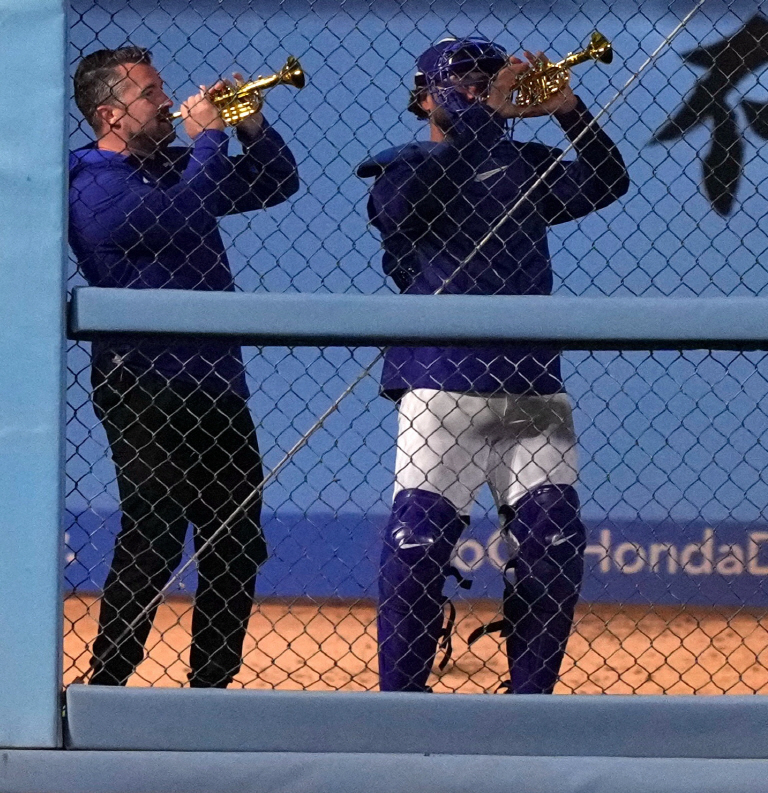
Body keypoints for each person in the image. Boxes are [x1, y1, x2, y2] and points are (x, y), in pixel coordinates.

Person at [357, 37, 629, 693]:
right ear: (424, 97)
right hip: (441, 381)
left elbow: (608, 180)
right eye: (466, 84)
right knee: (419, 544)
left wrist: (569, 109)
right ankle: (401, 703)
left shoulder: (525, 167)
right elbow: (397, 214)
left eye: (490, 81)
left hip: (534, 387)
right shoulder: (405, 167)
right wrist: (488, 117)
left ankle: (529, 705)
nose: (482, 91)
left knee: (556, 544)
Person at [68, 46, 299, 688]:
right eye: (150, 93)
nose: (168, 102)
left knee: (235, 539)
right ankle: (108, 681)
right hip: (142, 380)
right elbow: (177, 219)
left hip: (215, 380)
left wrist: (249, 124)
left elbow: (277, 181)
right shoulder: (89, 180)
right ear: (110, 114)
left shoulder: (173, 165)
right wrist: (207, 142)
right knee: (156, 530)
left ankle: (211, 686)